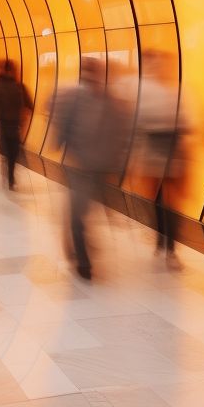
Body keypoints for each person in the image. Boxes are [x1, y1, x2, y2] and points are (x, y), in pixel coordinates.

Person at [53, 58, 131, 280]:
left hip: (87, 165)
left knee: (80, 212)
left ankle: (79, 250)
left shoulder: (103, 101)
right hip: (86, 165)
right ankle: (83, 259)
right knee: (80, 212)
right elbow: (121, 133)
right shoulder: (111, 101)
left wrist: (59, 143)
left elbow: (120, 134)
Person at [135, 51, 188, 269]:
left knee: (168, 202)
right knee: (159, 201)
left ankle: (168, 246)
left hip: (166, 155)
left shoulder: (175, 92)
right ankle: (162, 243)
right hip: (157, 155)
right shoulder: (162, 93)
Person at [0, 59, 32, 189]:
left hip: (4, 123)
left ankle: (9, 172)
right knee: (13, 151)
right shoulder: (19, 87)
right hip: (15, 125)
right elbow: (29, 105)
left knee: (7, 150)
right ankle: (10, 174)